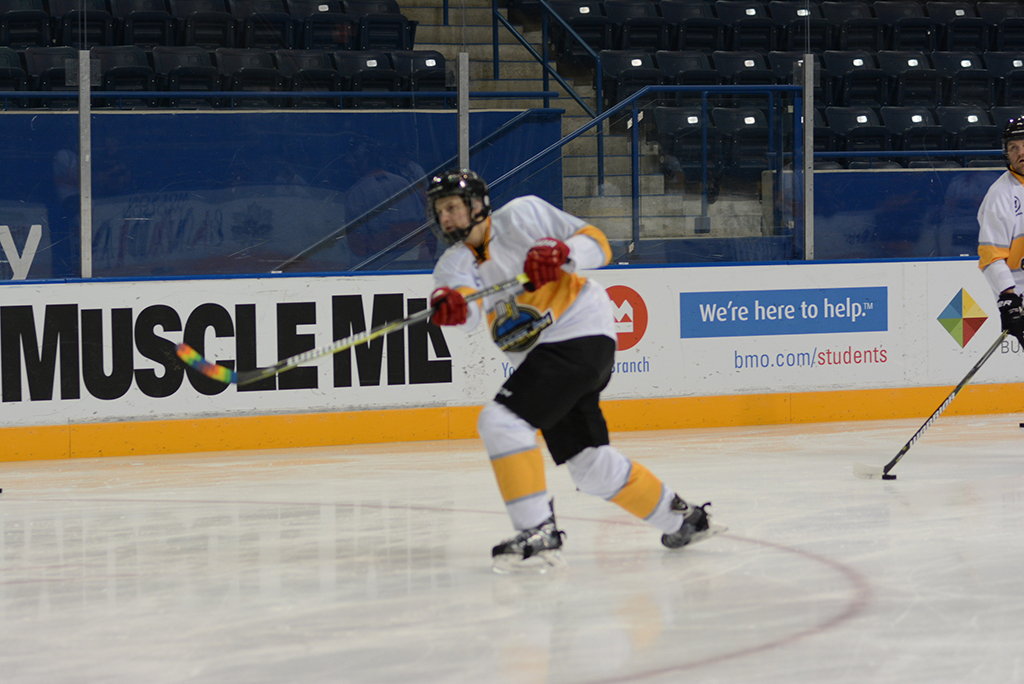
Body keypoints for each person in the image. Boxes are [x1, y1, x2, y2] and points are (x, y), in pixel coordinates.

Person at [425, 169, 717, 574]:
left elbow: (598, 243)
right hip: (546, 360)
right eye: (440, 211)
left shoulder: (523, 215)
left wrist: (562, 254)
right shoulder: (452, 264)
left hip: (581, 332)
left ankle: (537, 531)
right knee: (590, 467)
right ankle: (683, 520)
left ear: (477, 205)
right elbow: (467, 306)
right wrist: (454, 308)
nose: (445, 218)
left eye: (452, 208)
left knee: (501, 422)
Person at [978, 117, 1024, 350]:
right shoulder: (999, 195)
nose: (1020, 152)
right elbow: (991, 256)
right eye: (1013, 147)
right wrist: (1008, 299)